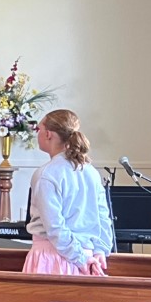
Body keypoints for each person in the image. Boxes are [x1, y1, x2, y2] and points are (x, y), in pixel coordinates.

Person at [22, 109, 114, 276]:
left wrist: (81, 259)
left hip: (51, 259)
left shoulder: (46, 175)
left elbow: (55, 227)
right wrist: (100, 251)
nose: (38, 134)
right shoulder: (91, 172)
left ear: (48, 134)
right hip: (88, 259)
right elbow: (103, 219)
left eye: (39, 129)